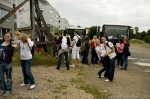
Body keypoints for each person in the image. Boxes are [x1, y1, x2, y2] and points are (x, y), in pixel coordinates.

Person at [0, 32, 15, 96]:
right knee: (1, 77)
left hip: (8, 63)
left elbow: (10, 54)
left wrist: (12, 47)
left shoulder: (11, 45)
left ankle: (8, 89)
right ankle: (3, 89)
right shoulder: (0, 43)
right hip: (0, 63)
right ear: (4, 36)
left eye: (8, 36)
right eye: (5, 36)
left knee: (8, 77)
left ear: (11, 37)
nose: (6, 37)